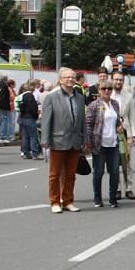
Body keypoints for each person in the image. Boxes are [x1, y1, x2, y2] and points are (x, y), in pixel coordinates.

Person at [41, 67, 86, 213]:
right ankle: (54, 201)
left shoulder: (79, 97)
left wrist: (84, 138)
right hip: (57, 140)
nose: (70, 79)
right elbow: (46, 120)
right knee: (54, 174)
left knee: (71, 175)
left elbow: (82, 120)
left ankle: (68, 201)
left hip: (75, 141)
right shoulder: (51, 97)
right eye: (67, 77)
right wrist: (45, 140)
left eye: (72, 77)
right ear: (60, 79)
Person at [85, 79, 122, 207]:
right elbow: (88, 125)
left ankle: (113, 199)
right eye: (104, 88)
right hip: (98, 143)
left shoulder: (115, 104)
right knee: (99, 172)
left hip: (113, 142)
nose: (107, 91)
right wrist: (88, 143)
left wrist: (119, 126)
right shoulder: (93, 105)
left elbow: (118, 120)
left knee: (115, 171)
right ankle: (97, 198)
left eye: (109, 88)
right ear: (99, 90)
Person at [111, 71, 135, 200]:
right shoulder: (107, 94)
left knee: (127, 162)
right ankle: (117, 189)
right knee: (114, 163)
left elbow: (132, 117)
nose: (118, 82)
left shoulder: (128, 96)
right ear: (112, 80)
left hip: (126, 132)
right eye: (116, 80)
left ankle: (129, 188)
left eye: (120, 80)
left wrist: (134, 135)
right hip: (111, 133)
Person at [18, 80, 41, 160]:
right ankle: (35, 153)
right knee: (33, 136)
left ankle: (26, 152)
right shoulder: (30, 96)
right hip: (30, 117)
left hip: (23, 117)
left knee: (25, 136)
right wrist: (36, 115)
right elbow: (33, 108)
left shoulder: (22, 96)